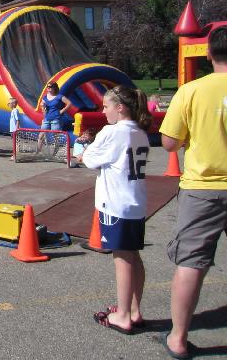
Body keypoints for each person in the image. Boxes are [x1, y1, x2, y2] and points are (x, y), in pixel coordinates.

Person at [159, 26, 227, 359]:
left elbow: (169, 142)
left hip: (203, 188)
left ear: (209, 54)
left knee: (192, 263)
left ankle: (178, 338)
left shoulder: (191, 91)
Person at [82, 85, 151, 335]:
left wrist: (87, 145)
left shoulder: (112, 132)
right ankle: (133, 309)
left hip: (115, 204)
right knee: (133, 256)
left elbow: (89, 159)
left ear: (119, 108)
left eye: (106, 106)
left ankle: (122, 315)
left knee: (122, 259)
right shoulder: (140, 132)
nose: (103, 111)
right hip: (135, 202)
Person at [37, 82, 73, 153]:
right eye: (47, 87)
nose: (48, 88)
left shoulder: (59, 96)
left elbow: (69, 103)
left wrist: (61, 111)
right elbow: (43, 109)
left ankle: (55, 153)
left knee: (56, 137)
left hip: (56, 119)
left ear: (54, 88)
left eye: (50, 87)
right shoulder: (45, 97)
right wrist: (42, 107)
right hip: (47, 119)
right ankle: (37, 151)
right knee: (41, 135)